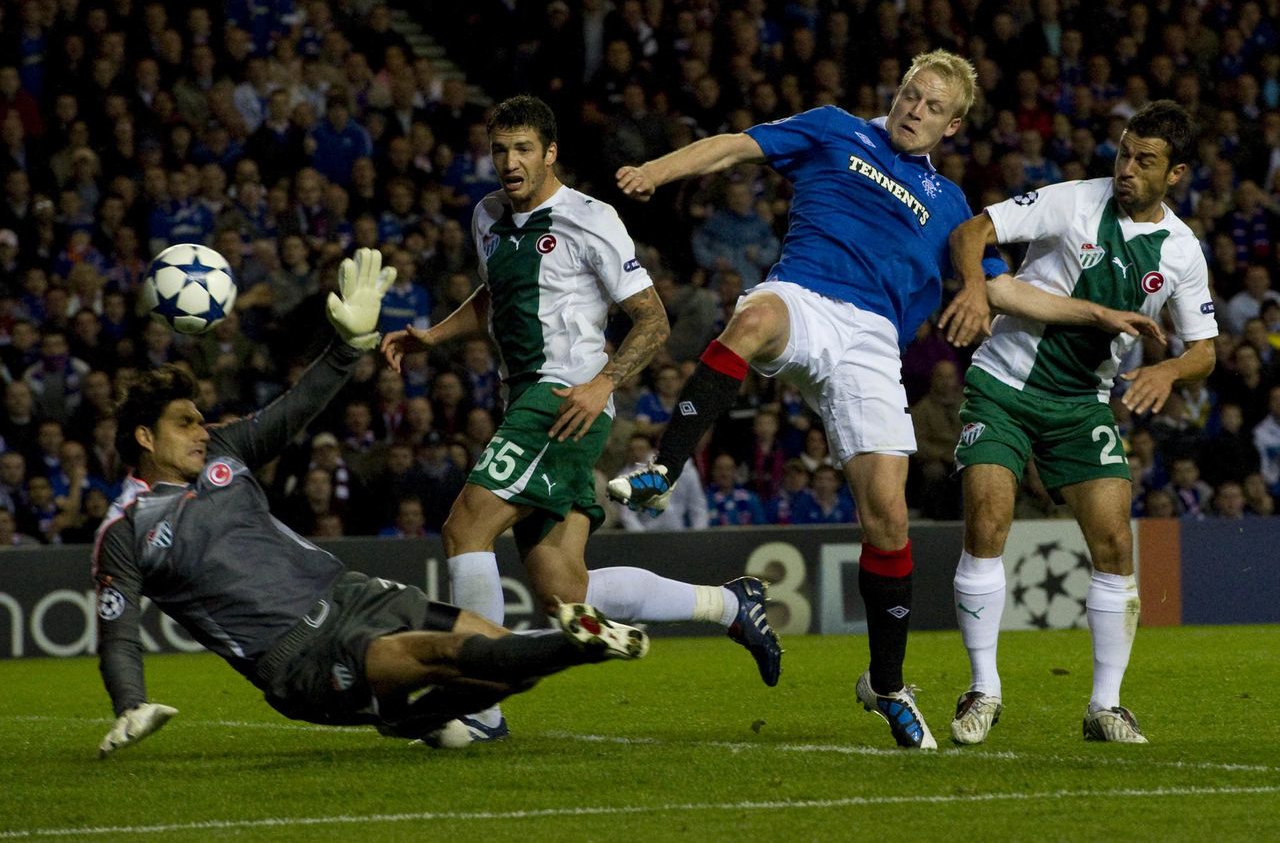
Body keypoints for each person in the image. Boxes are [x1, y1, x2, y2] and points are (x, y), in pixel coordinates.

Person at [93, 249, 649, 759]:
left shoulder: (224, 451)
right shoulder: (126, 529)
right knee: (446, 656)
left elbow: (296, 408)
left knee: (504, 670)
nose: (200, 430)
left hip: (352, 594)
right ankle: (584, 644)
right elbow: (117, 632)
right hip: (298, 655)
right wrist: (131, 702)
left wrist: (347, 346)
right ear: (145, 438)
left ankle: (409, 716)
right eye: (184, 423)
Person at [607, 50, 1009, 749]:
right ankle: (663, 470)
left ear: (953, 124)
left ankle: (886, 686)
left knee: (887, 517)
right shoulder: (834, 129)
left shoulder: (951, 207)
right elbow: (737, 145)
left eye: (933, 106)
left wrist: (1031, 303)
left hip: (873, 342)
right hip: (806, 295)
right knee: (754, 321)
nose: (915, 110)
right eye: (911, 94)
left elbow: (993, 277)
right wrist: (656, 170)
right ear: (898, 91)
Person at [381, 96, 782, 743]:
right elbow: (495, 297)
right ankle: (730, 604)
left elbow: (652, 319)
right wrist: (434, 336)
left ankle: (479, 706)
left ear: (549, 154)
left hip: (562, 400)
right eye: (499, 150)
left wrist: (601, 384)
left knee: (465, 529)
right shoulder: (488, 217)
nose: (509, 163)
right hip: (529, 403)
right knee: (565, 593)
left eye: (522, 150)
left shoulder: (591, 219)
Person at [947, 101, 1217, 746]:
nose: (1126, 168)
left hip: (1082, 403)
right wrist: (971, 287)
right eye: (1123, 153)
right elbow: (971, 232)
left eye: (1144, 160)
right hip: (1004, 386)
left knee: (1115, 546)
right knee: (988, 522)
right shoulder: (1070, 201)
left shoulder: (1181, 250)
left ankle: (1105, 706)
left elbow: (1204, 349)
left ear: (1175, 173)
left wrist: (1167, 373)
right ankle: (983, 689)